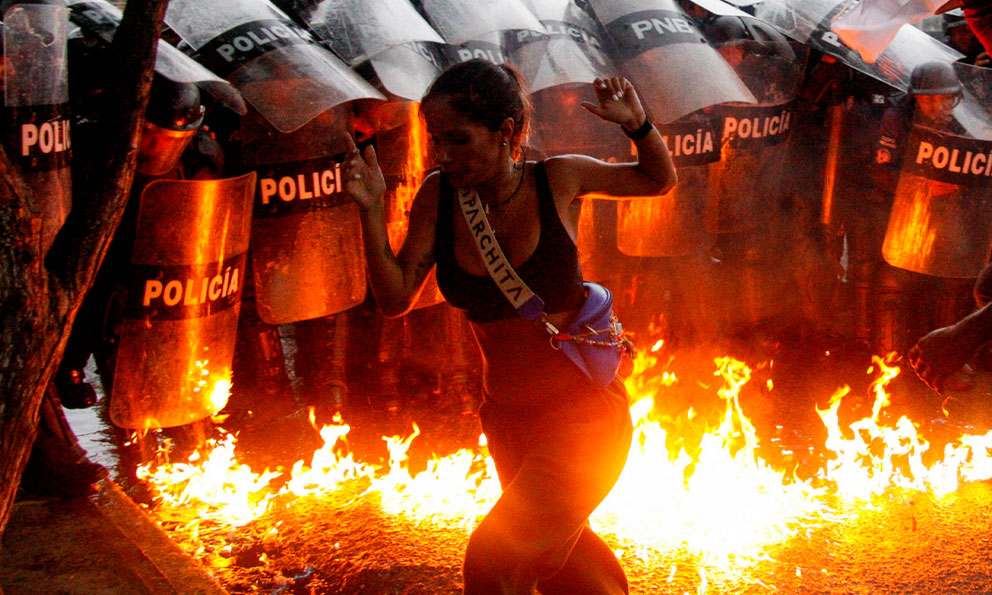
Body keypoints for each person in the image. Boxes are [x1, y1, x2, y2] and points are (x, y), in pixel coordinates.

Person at [342, 59, 676, 594]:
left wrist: (637, 125)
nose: (445, 157)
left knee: (493, 559)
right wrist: (368, 211)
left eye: (459, 140)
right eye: (436, 141)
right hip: (508, 422)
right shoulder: (438, 194)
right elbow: (394, 298)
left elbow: (658, 181)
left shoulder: (559, 177)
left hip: (584, 420)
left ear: (506, 131)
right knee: (564, 566)